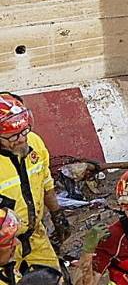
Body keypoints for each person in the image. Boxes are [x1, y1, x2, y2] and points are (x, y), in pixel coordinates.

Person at [0, 94, 67, 280]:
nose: (22, 140)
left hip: (35, 235)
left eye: (24, 131)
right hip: (4, 246)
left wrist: (57, 214)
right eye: (13, 136)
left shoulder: (34, 142)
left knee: (55, 279)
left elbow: (46, 182)